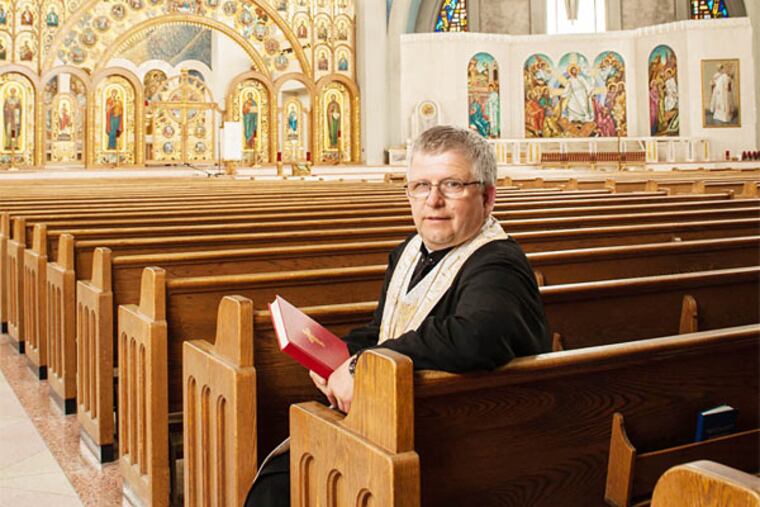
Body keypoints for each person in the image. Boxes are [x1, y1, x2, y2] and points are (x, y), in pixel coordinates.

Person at [245, 125, 550, 506]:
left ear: (488, 197)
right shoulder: (410, 250)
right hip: (406, 425)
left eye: (452, 185)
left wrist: (360, 367)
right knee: (283, 477)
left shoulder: (498, 263)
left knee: (282, 487)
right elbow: (387, 328)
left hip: (460, 449)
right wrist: (337, 355)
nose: (432, 200)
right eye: (420, 186)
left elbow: (476, 335)